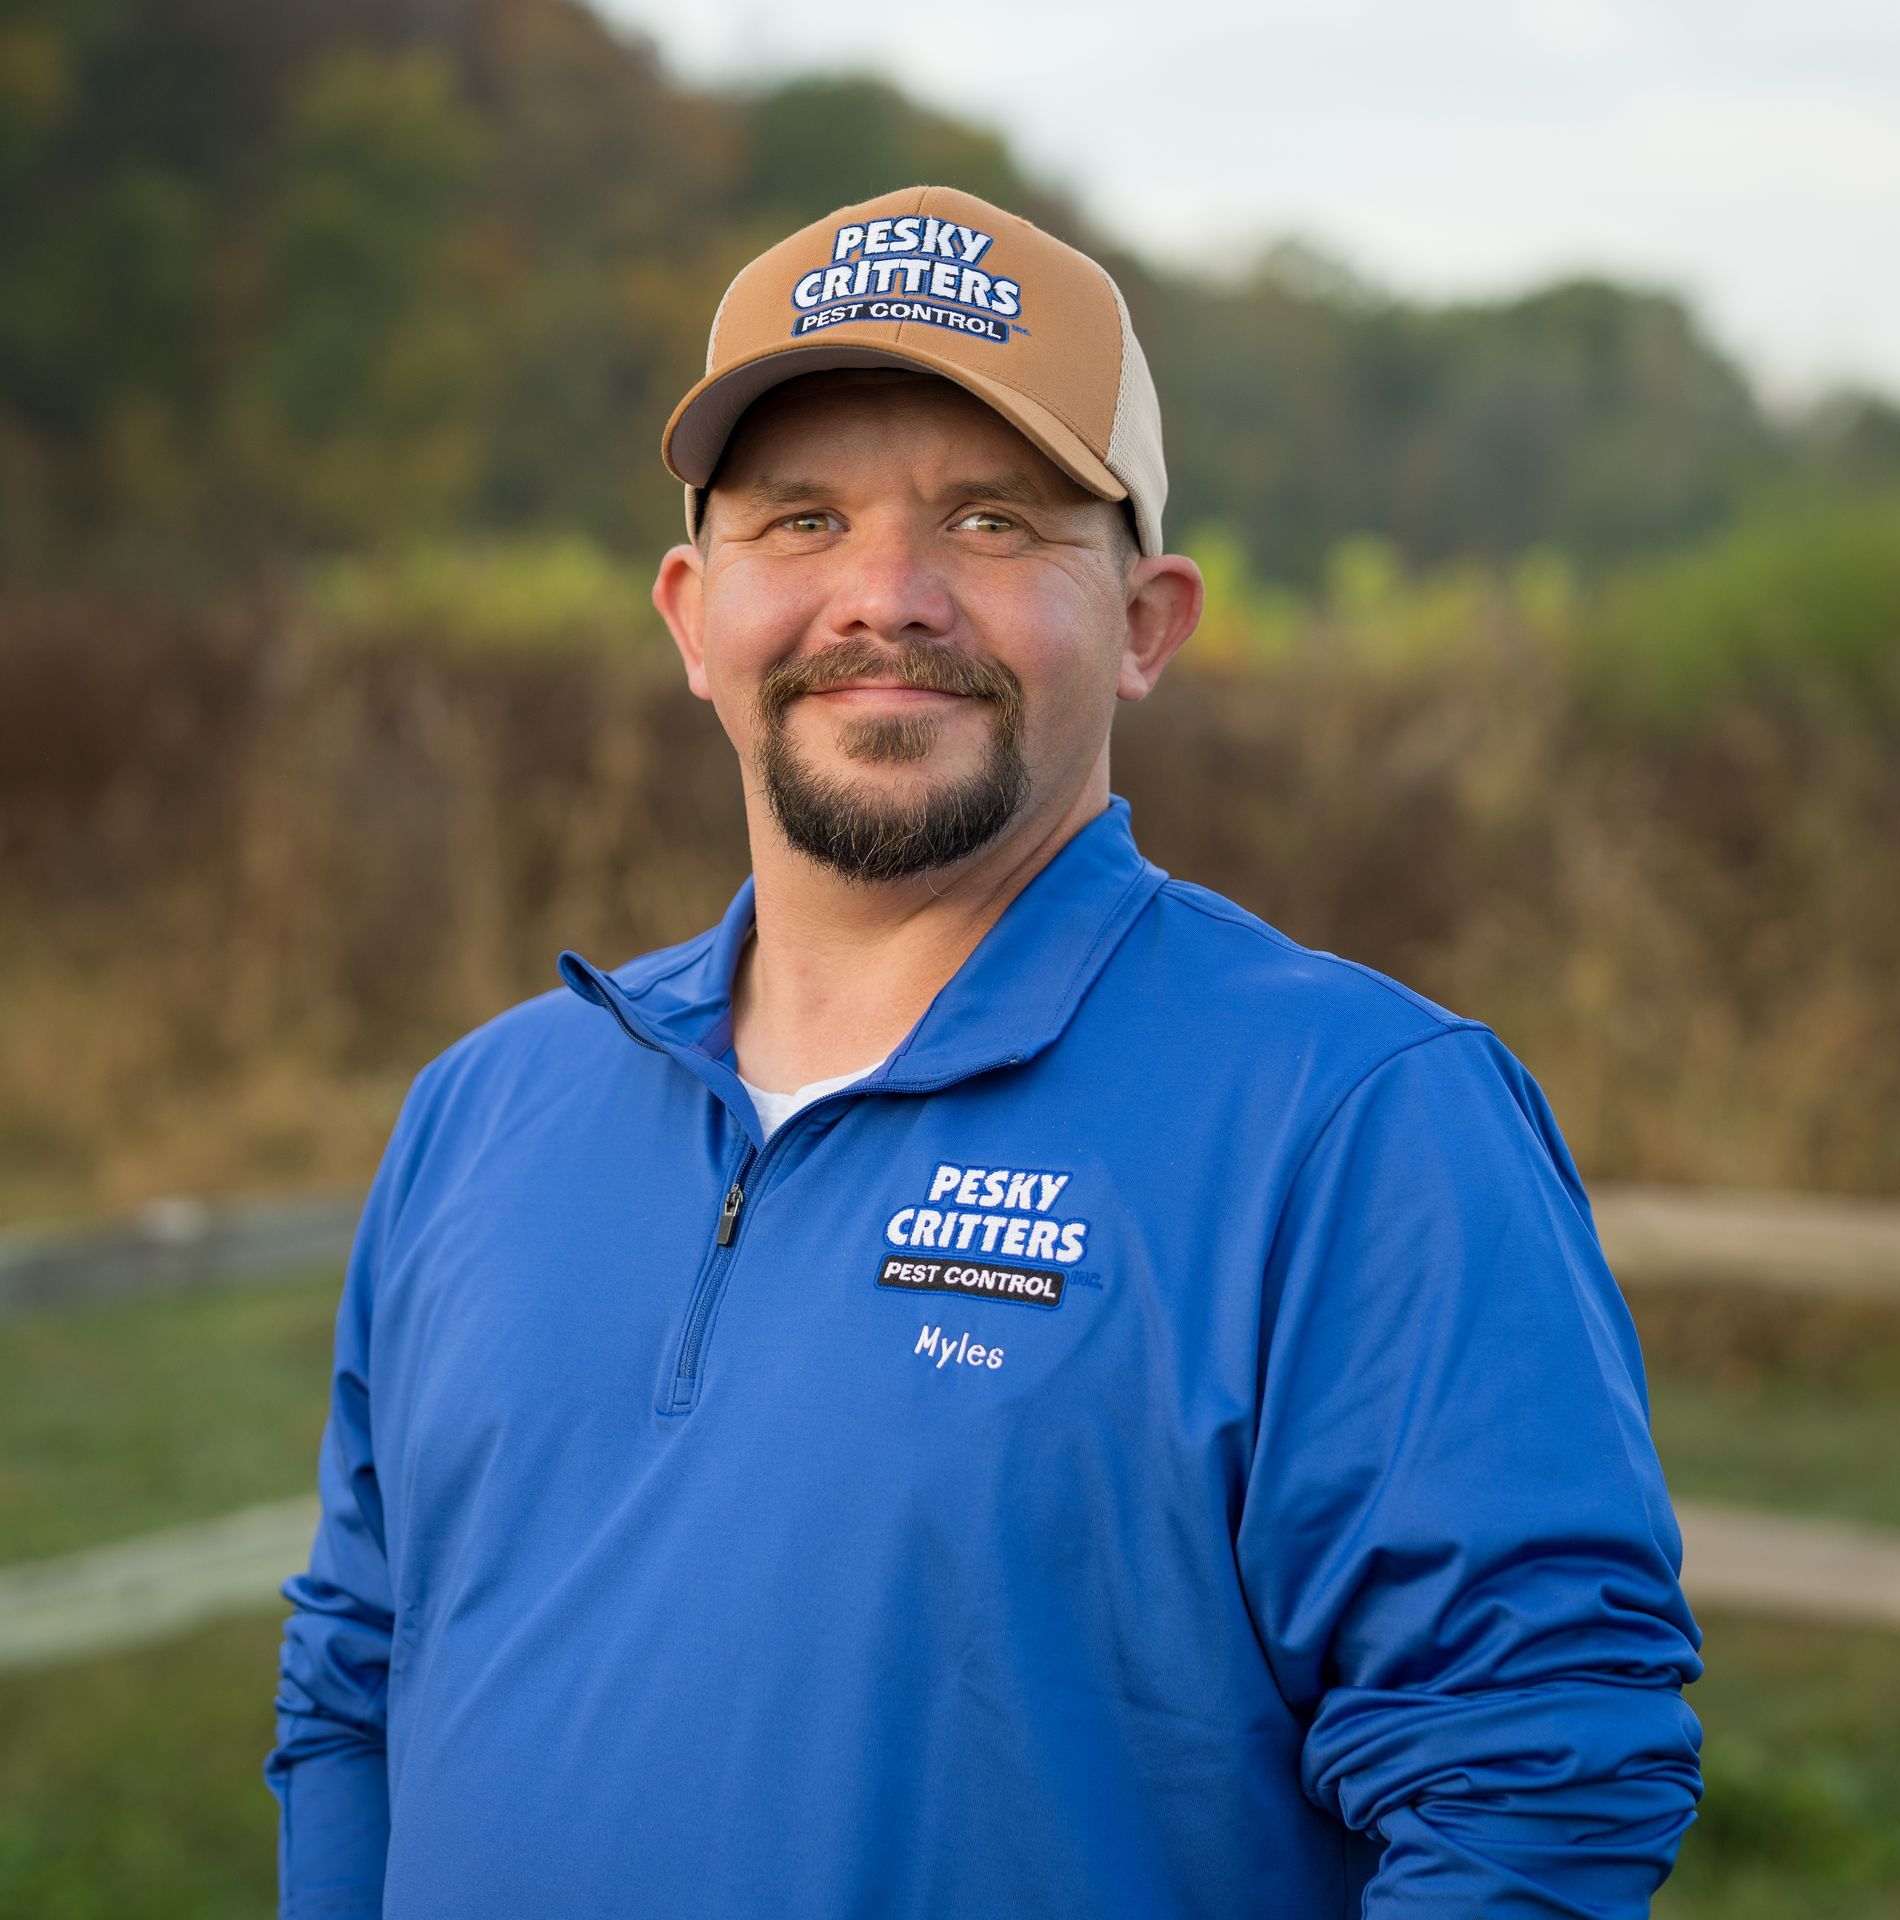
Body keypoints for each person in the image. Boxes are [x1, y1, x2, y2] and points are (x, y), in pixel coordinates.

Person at [266, 185, 1703, 1919]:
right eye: (800, 520)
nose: (889, 597)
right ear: (689, 614)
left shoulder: (1356, 1123)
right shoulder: (484, 1109)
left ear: (1150, 619)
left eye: (994, 521)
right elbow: (357, 1680)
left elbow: (1533, 1783)